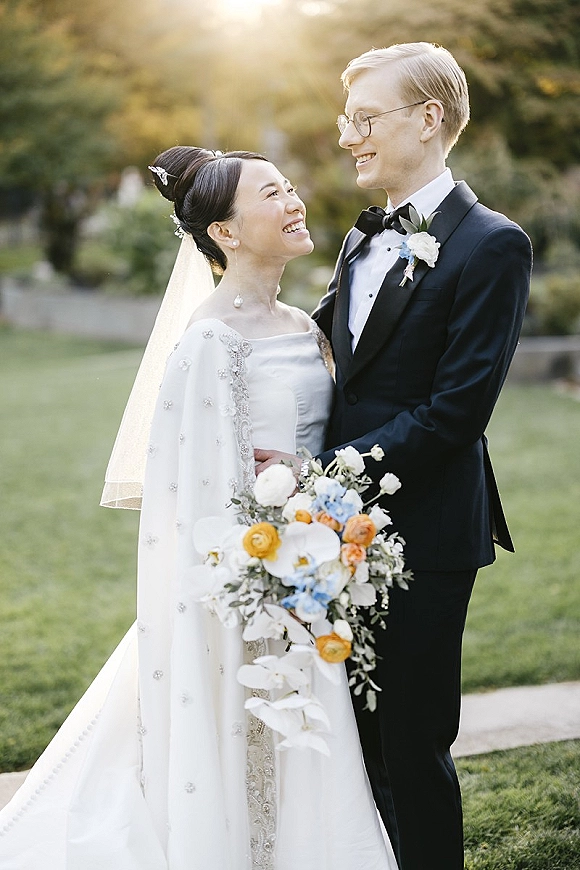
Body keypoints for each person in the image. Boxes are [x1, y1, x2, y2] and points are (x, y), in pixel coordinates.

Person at [0, 147, 396, 869]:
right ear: (227, 232)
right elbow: (196, 496)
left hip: (314, 572)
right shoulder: (210, 342)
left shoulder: (305, 326)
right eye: (272, 193)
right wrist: (268, 579)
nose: (294, 200)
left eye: (290, 186)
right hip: (258, 583)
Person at [254, 43, 532, 870]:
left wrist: (329, 476)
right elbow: (320, 353)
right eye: (348, 120)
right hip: (335, 532)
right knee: (355, 746)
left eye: (366, 118)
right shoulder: (359, 238)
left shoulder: (491, 245)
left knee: (411, 748)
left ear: (429, 119)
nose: (349, 137)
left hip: (425, 533)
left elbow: (455, 413)